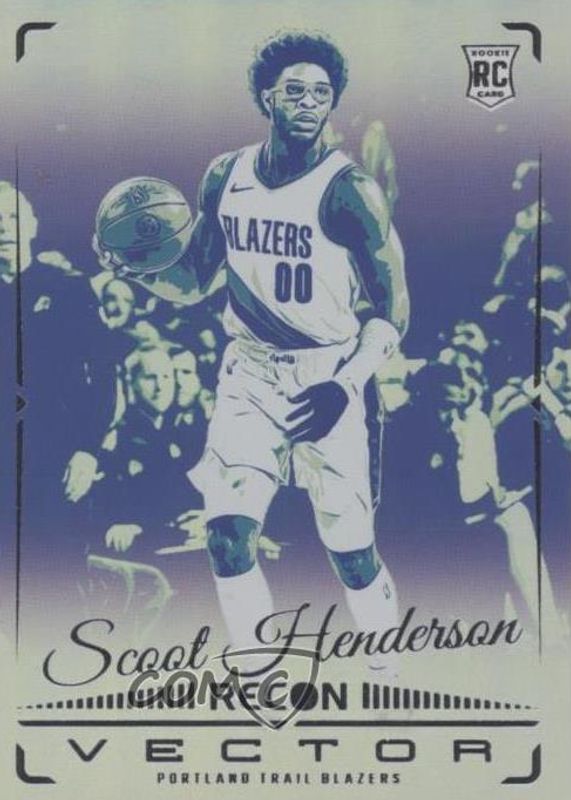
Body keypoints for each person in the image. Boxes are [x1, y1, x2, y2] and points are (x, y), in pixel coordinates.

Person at [95, 32, 409, 673]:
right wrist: (138, 271)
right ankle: (258, 673)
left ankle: (386, 663)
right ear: (267, 97)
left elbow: (392, 313)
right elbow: (194, 281)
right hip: (250, 371)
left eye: (322, 93)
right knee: (227, 536)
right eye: (295, 90)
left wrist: (345, 385)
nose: (309, 102)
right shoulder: (225, 175)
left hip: (330, 372)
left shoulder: (351, 192)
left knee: (351, 553)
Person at [1, 181, 117, 638]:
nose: (3, 228)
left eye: (12, 218)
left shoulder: (67, 289)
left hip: (57, 462)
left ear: (32, 226)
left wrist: (89, 450)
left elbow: (103, 376)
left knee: (57, 587)